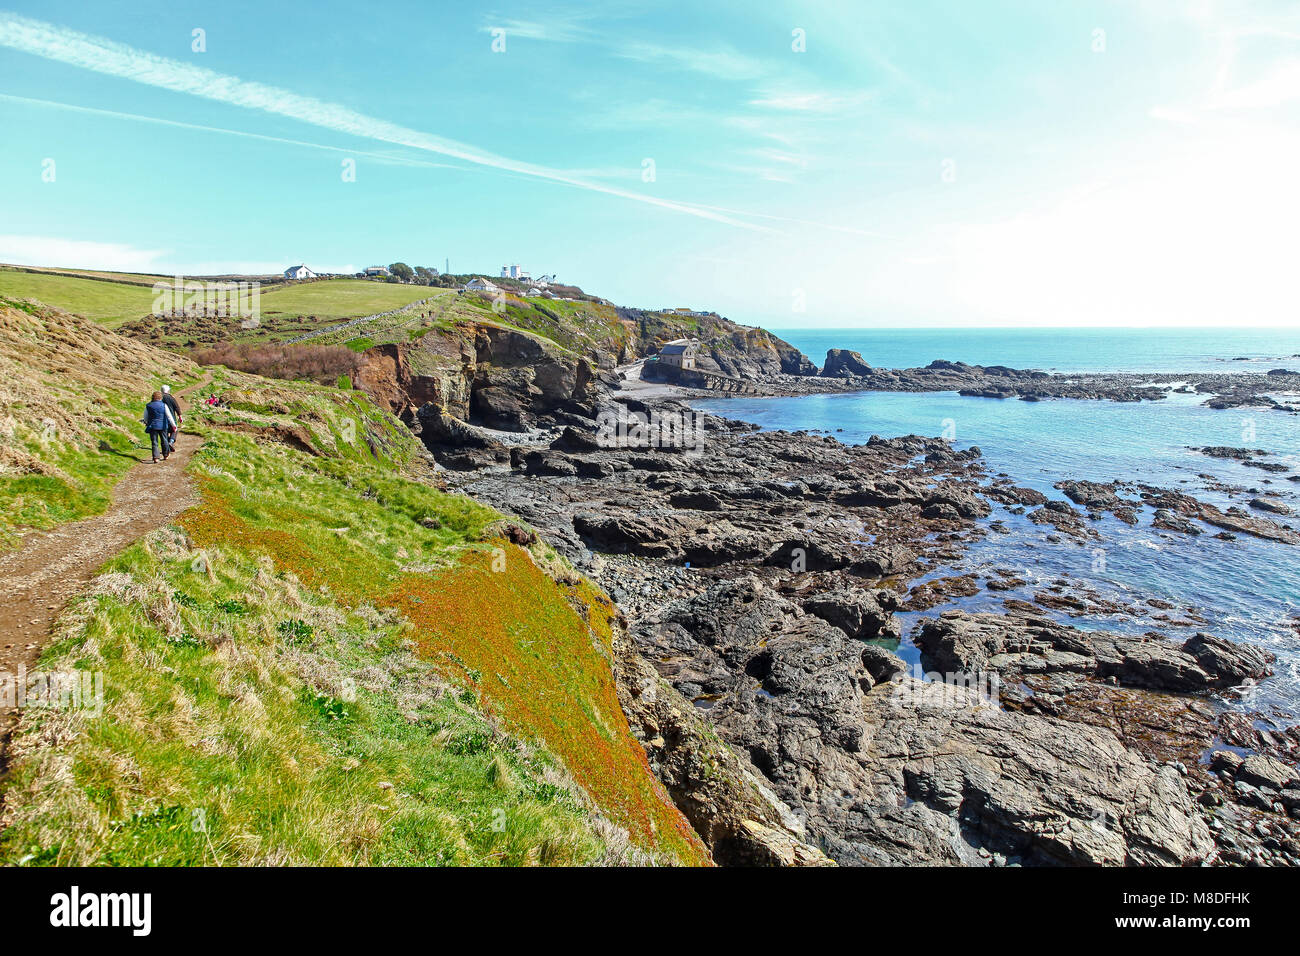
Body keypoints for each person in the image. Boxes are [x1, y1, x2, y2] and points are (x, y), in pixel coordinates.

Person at [142, 391, 177, 463]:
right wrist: (174, 425)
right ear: (160, 397)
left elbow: (145, 417)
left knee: (154, 442)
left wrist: (146, 422)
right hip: (163, 426)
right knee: (164, 440)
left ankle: (156, 458)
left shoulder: (148, 405)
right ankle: (165, 455)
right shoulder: (164, 405)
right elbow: (169, 416)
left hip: (152, 426)